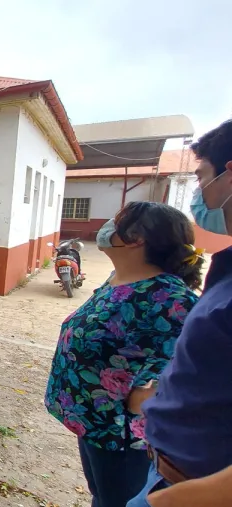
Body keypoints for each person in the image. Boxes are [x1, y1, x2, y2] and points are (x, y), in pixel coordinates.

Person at [44, 201, 204, 507]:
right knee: (101, 495)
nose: (108, 229)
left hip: (122, 435)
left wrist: (152, 392)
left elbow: (199, 361)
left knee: (117, 500)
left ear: (137, 238)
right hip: (93, 421)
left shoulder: (169, 297)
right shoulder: (119, 279)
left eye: (117, 223)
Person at [127, 120, 232, 507]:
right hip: (166, 469)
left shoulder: (167, 296)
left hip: (188, 490)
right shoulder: (226, 272)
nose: (199, 191)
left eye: (202, 175)